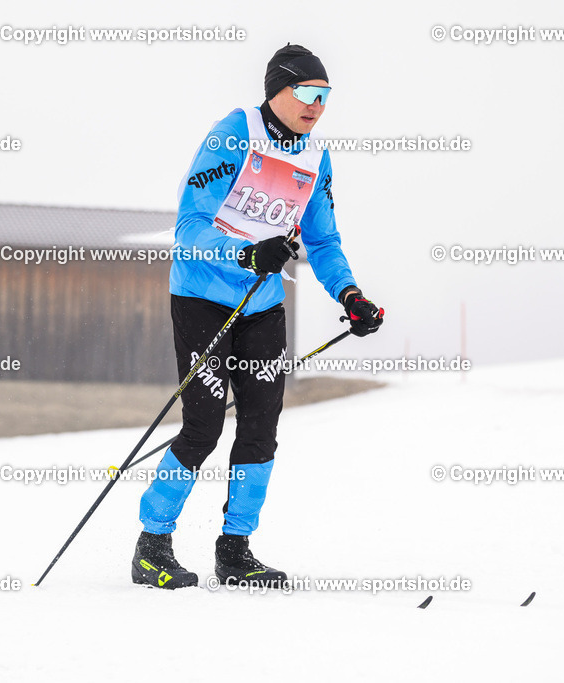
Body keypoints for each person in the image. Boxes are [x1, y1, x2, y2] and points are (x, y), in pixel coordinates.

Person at [132, 44, 384, 590]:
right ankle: (152, 544)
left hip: (262, 305)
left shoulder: (316, 158)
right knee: (202, 425)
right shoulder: (235, 132)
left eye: (326, 97)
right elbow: (191, 225)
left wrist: (350, 295)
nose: (318, 106)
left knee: (261, 428)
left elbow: (323, 239)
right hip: (202, 294)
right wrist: (245, 254)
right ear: (277, 89)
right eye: (309, 94)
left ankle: (235, 550)